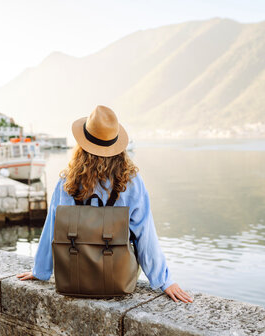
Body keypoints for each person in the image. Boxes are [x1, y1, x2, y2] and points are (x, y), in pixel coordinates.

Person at [17, 105, 193, 303]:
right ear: (117, 146)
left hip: (73, 276)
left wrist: (40, 271)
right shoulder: (131, 182)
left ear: (82, 145)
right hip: (118, 278)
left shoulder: (67, 181)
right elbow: (145, 233)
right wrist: (164, 281)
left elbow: (52, 228)